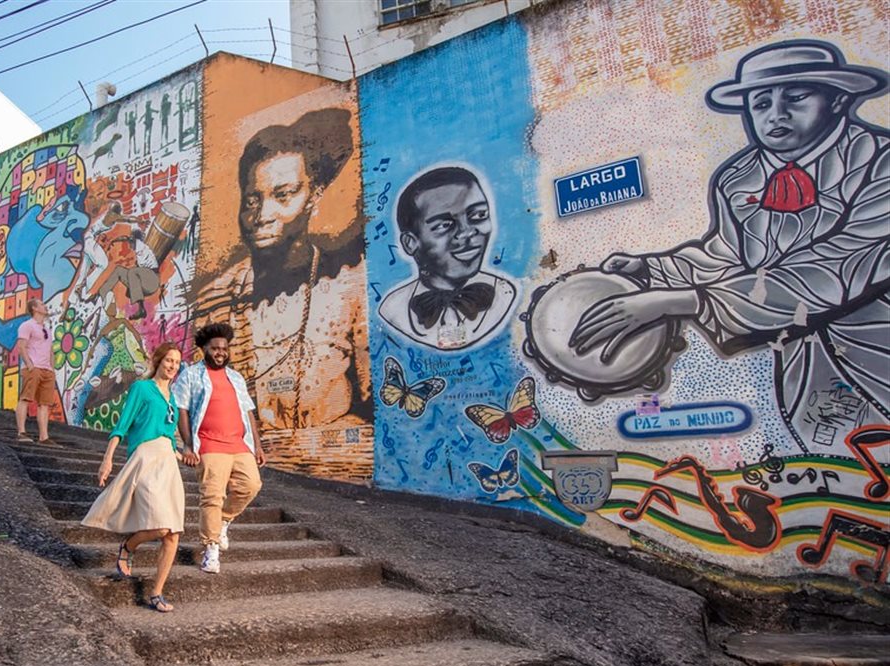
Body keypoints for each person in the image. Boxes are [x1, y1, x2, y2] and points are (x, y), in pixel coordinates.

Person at [568, 40, 889, 453]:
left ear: (839, 99)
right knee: (838, 471)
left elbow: (835, 267)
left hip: (877, 351)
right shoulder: (739, 178)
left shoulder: (880, 161)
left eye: (796, 97)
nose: (777, 115)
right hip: (801, 365)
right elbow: (724, 256)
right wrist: (650, 271)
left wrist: (681, 302)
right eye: (761, 103)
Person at [193, 108, 372, 430]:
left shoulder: (348, 282)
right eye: (251, 200)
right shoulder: (217, 297)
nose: (263, 214)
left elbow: (376, 399)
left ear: (313, 195)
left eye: (283, 195)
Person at [81, 342, 185, 613]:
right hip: (145, 459)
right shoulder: (142, 388)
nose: (173, 366)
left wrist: (179, 454)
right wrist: (107, 459)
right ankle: (128, 545)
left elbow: (168, 432)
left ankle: (157, 592)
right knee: (161, 526)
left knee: (173, 533)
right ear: (158, 360)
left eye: (177, 362)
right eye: (169, 360)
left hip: (167, 463)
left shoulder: (171, 397)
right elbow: (122, 424)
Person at [378, 165, 517, 351]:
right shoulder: (393, 309)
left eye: (478, 215)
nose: (467, 232)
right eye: (444, 225)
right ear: (410, 243)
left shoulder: (504, 294)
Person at [172, 323, 265, 574]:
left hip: (238, 444)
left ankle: (224, 519)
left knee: (251, 485)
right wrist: (188, 446)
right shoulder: (191, 375)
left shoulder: (236, 377)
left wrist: (257, 445)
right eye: (215, 348)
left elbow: (248, 411)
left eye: (224, 348)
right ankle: (210, 549)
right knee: (212, 496)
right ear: (204, 349)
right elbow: (181, 409)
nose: (221, 352)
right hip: (210, 444)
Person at [14, 298, 58, 444]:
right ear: (34, 308)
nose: (45, 306)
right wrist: (30, 365)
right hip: (33, 368)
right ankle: (21, 432)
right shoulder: (27, 326)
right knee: (25, 398)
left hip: (46, 370)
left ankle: (44, 437)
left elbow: (51, 350)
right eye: (41, 304)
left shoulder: (46, 329)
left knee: (44, 404)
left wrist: (52, 368)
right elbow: (21, 346)